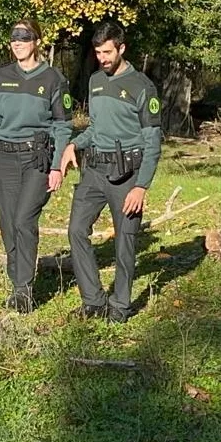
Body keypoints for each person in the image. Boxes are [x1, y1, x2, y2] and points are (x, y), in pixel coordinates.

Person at [0, 19, 73, 313]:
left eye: (24, 37)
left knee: (24, 219)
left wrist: (58, 165)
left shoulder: (53, 78)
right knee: (8, 222)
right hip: (4, 158)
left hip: (36, 158)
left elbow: (62, 125)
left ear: (37, 40)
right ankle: (17, 283)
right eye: (14, 38)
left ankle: (24, 289)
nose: (17, 42)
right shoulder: (3, 75)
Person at [59, 20, 162, 323]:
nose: (102, 58)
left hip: (127, 176)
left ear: (122, 48)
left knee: (125, 241)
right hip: (94, 171)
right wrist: (73, 145)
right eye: (98, 52)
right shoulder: (95, 81)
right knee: (76, 230)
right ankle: (93, 301)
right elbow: (96, 129)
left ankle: (120, 305)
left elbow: (153, 142)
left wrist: (141, 186)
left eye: (107, 52)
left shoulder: (142, 87)